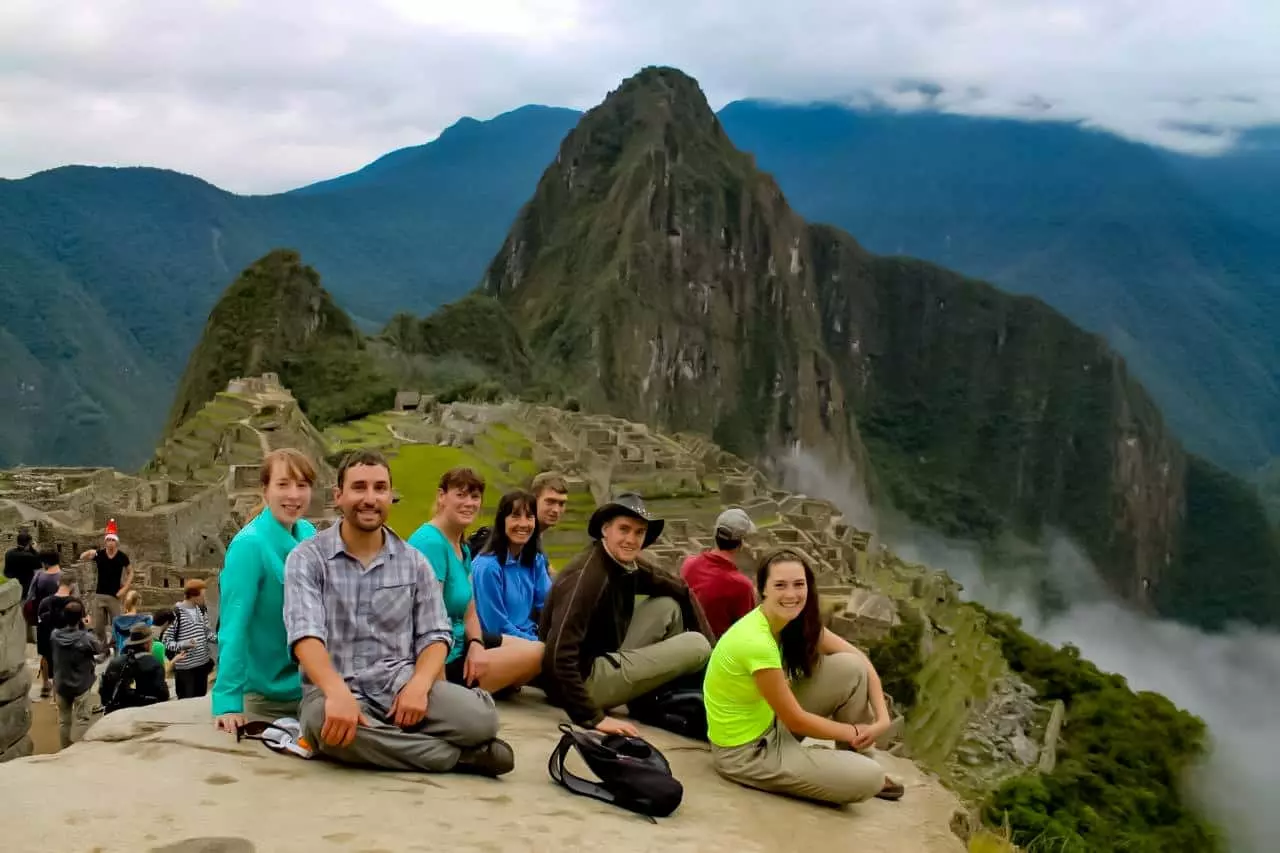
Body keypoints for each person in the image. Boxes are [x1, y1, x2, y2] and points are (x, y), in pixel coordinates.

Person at [284, 449, 513, 776]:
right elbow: (305, 635)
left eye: (379, 488)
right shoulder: (307, 558)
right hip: (332, 688)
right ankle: (455, 757)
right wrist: (336, 692)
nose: (370, 498)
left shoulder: (413, 562)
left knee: (481, 721)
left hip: (398, 682)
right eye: (359, 487)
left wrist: (419, 685)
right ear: (339, 496)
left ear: (391, 496)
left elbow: (436, 634)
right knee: (324, 725)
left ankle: (384, 739)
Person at [703, 548, 904, 805]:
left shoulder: (793, 623)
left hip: (770, 722)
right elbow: (796, 720)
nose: (791, 594)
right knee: (871, 778)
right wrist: (854, 731)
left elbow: (861, 662)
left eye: (799, 584)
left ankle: (854, 759)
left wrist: (882, 719)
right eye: (780, 585)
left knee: (850, 668)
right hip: (748, 752)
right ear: (763, 589)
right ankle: (851, 767)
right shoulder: (755, 641)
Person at [539, 492, 712, 735]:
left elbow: (681, 590)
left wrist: (716, 661)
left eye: (639, 532)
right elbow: (558, 653)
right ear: (605, 530)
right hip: (581, 683)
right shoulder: (588, 577)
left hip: (602, 657)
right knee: (697, 645)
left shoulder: (622, 563)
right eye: (624, 529)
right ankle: (653, 703)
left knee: (667, 606)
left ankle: (653, 698)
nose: (631, 539)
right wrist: (591, 717)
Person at [212, 448, 319, 733]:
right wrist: (227, 703)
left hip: (308, 685)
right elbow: (234, 625)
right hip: (266, 693)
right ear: (265, 490)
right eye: (283, 485)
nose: (293, 495)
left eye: (302, 485)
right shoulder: (249, 545)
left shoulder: (308, 533)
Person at [408, 471, 542, 695]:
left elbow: (470, 611)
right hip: (440, 659)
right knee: (536, 655)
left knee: (538, 651)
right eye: (460, 495)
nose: (469, 503)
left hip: (463, 645)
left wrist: (476, 645)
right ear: (442, 496)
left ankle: (495, 681)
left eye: (475, 497)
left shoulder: (462, 546)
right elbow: (427, 622)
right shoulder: (431, 543)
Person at [472, 490, 552, 642]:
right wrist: (536, 644)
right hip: (498, 644)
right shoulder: (487, 567)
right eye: (515, 516)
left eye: (529, 517)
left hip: (531, 637)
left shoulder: (535, 560)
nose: (523, 524)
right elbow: (496, 626)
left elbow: (548, 606)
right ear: (502, 521)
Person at [681, 508, 759, 639]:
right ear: (741, 543)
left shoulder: (689, 564)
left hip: (689, 644)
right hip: (719, 653)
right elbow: (747, 634)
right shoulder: (741, 585)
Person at [50, 599, 102, 748]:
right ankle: (78, 751)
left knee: (63, 721)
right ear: (81, 617)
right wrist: (89, 628)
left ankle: (64, 748)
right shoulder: (86, 637)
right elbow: (99, 649)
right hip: (81, 684)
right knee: (82, 720)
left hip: (62, 684)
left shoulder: (54, 635)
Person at [79, 519, 132, 651]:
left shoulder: (122, 557)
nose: (110, 542)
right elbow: (82, 557)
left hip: (114, 595)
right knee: (98, 626)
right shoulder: (100, 554)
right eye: (108, 540)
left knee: (117, 624)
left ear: (116, 542)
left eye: (112, 540)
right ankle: (103, 649)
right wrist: (89, 552)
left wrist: (125, 588)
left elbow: (131, 572)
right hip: (99, 594)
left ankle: (116, 647)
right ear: (105, 541)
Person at [162, 579, 216, 699]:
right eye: (203, 595)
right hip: (185, 669)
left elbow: (206, 633)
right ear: (194, 596)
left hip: (202, 665)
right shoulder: (176, 613)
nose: (204, 598)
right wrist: (184, 644)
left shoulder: (202, 610)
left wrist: (221, 639)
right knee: (186, 700)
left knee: (199, 700)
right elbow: (166, 641)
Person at [100, 623, 169, 714]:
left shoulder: (115, 662)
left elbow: (105, 693)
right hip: (144, 713)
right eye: (151, 641)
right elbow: (163, 695)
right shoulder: (154, 664)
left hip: (115, 713)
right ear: (146, 644)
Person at [30, 550, 65, 697]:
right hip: (62, 621)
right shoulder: (64, 577)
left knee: (44, 653)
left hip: (43, 621)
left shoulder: (38, 576)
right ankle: (59, 685)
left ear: (44, 562)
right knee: (61, 652)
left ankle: (45, 684)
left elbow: (30, 597)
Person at [4, 530, 40, 599]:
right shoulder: (29, 556)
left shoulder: (8, 553)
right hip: (25, 588)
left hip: (12, 585)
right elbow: (39, 563)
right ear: (29, 543)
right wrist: (33, 549)